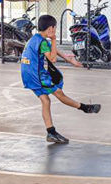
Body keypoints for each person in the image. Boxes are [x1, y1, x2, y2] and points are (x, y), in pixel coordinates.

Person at [20, 15, 100, 144]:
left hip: (27, 73)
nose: (55, 30)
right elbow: (52, 58)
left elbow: (52, 50)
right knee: (59, 93)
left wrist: (68, 59)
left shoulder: (35, 38)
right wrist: (54, 39)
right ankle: (85, 108)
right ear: (51, 28)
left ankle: (51, 133)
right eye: (55, 28)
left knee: (46, 100)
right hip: (36, 75)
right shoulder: (44, 42)